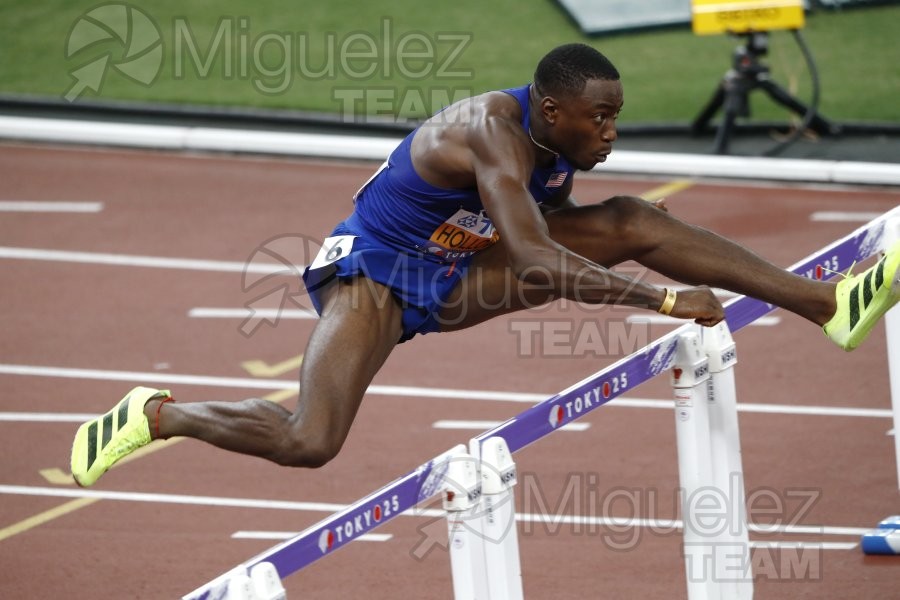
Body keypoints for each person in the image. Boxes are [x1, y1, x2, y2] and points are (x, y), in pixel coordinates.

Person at [71, 43, 900, 487]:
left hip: (463, 265)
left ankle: (831, 306)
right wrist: (664, 299)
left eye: (616, 117)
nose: (611, 132)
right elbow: (538, 253)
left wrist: (639, 243)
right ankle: (154, 415)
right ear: (550, 109)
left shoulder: (558, 140)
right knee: (308, 440)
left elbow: (555, 232)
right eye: (600, 119)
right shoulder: (488, 132)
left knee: (633, 218)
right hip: (380, 276)